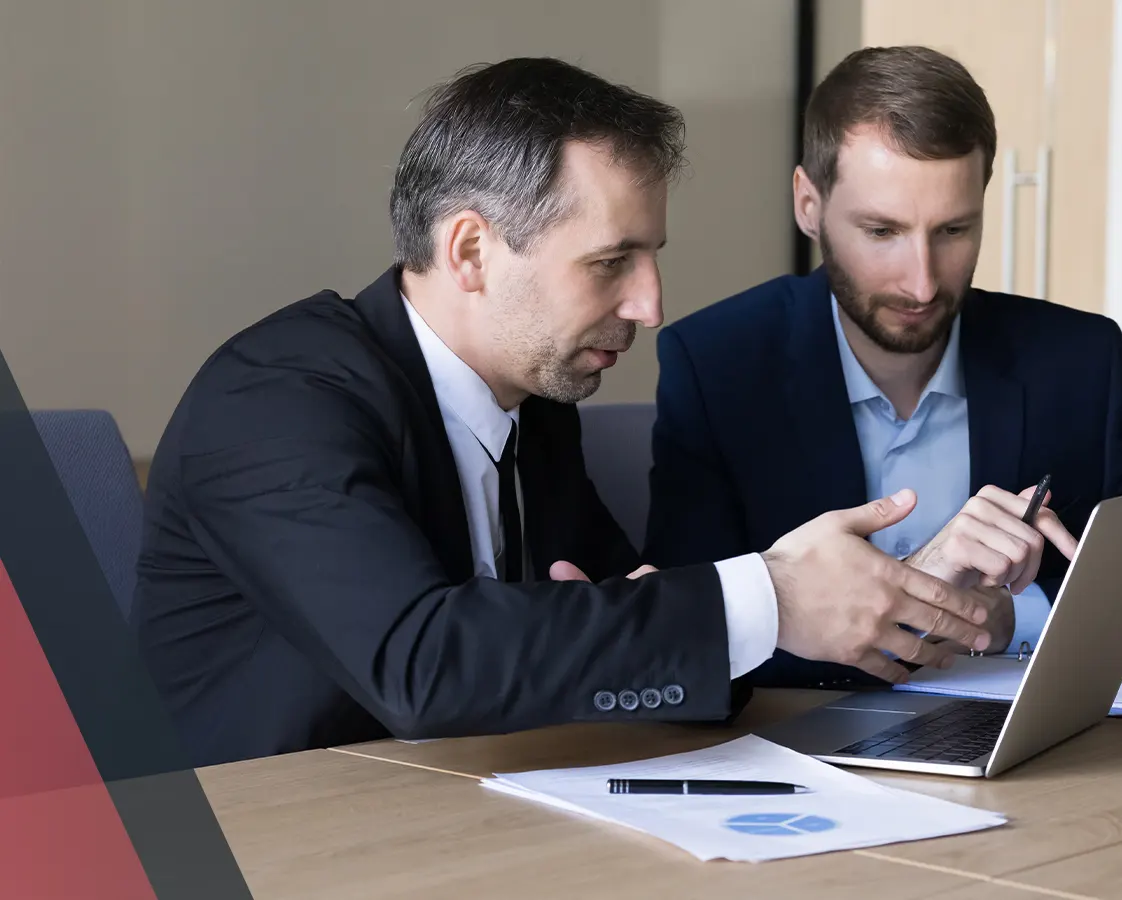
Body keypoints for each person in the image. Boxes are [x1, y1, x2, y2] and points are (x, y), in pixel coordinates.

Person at [131, 57, 996, 768]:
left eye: (651, 257)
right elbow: (426, 666)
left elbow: (640, 629)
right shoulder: (273, 400)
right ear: (471, 250)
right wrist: (767, 594)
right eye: (611, 261)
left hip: (462, 816)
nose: (651, 304)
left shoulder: (536, 406)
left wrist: (692, 618)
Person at [644, 46, 1122, 690]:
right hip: (802, 762)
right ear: (809, 204)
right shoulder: (719, 364)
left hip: (1030, 768)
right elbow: (678, 631)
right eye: (882, 231)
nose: (921, 283)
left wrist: (1007, 621)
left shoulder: (1073, 361)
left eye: (953, 231)